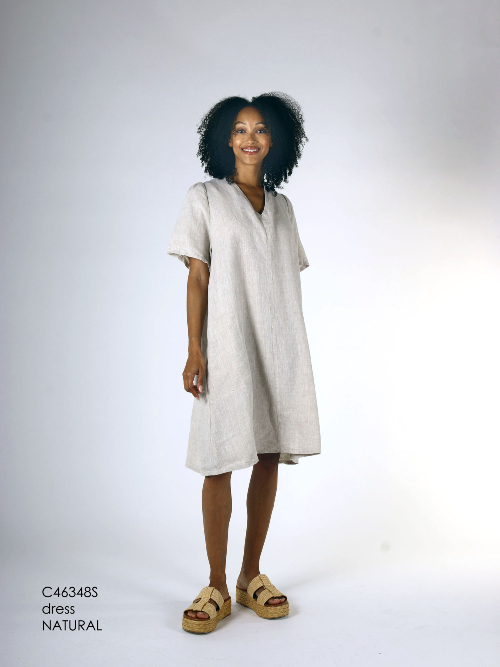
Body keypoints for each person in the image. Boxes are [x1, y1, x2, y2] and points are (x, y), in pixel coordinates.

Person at [167, 92, 321, 634]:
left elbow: (280, 280)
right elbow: (198, 276)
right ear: (224, 140)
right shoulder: (205, 197)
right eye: (239, 129)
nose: (249, 138)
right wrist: (195, 348)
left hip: (278, 346)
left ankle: (249, 575)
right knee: (219, 458)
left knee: (268, 454)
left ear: (275, 140)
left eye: (259, 129)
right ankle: (215, 583)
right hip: (227, 344)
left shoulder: (283, 209)